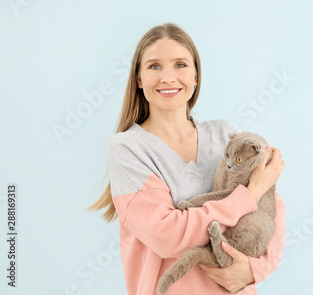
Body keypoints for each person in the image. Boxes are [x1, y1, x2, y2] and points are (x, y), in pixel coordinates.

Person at [87, 23, 286, 295]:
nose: (168, 77)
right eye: (154, 66)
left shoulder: (225, 135)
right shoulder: (127, 149)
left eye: (180, 65)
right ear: (139, 79)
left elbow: (271, 213)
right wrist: (249, 194)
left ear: (195, 76)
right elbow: (168, 236)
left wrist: (255, 270)